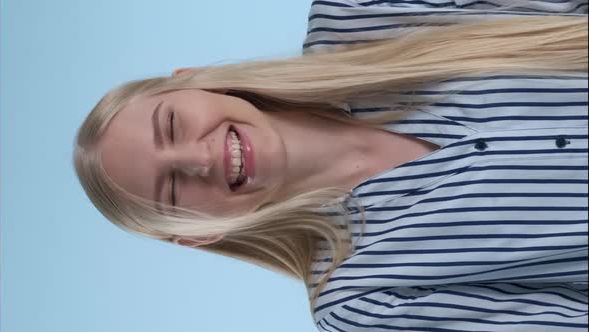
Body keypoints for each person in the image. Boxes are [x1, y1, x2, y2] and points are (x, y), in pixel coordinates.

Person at [74, 0, 588, 331]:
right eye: (171, 190)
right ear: (197, 234)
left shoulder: (361, 13)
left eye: (172, 125)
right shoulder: (359, 302)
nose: (200, 157)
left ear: (195, 79)